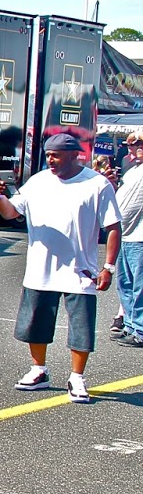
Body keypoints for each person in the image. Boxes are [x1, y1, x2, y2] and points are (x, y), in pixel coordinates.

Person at [0, 133, 122, 404]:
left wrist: (108, 266)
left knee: (81, 327)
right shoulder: (38, 182)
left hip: (80, 271)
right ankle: (39, 371)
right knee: (35, 324)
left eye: (57, 155)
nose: (51, 160)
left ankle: (77, 378)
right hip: (40, 269)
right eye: (49, 155)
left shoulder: (97, 185)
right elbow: (10, 213)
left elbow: (113, 227)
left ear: (75, 156)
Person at [112, 137, 143, 347]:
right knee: (125, 284)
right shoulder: (132, 170)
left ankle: (140, 330)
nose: (134, 148)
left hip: (139, 236)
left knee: (140, 287)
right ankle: (131, 325)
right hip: (126, 234)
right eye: (133, 145)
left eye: (139, 145)